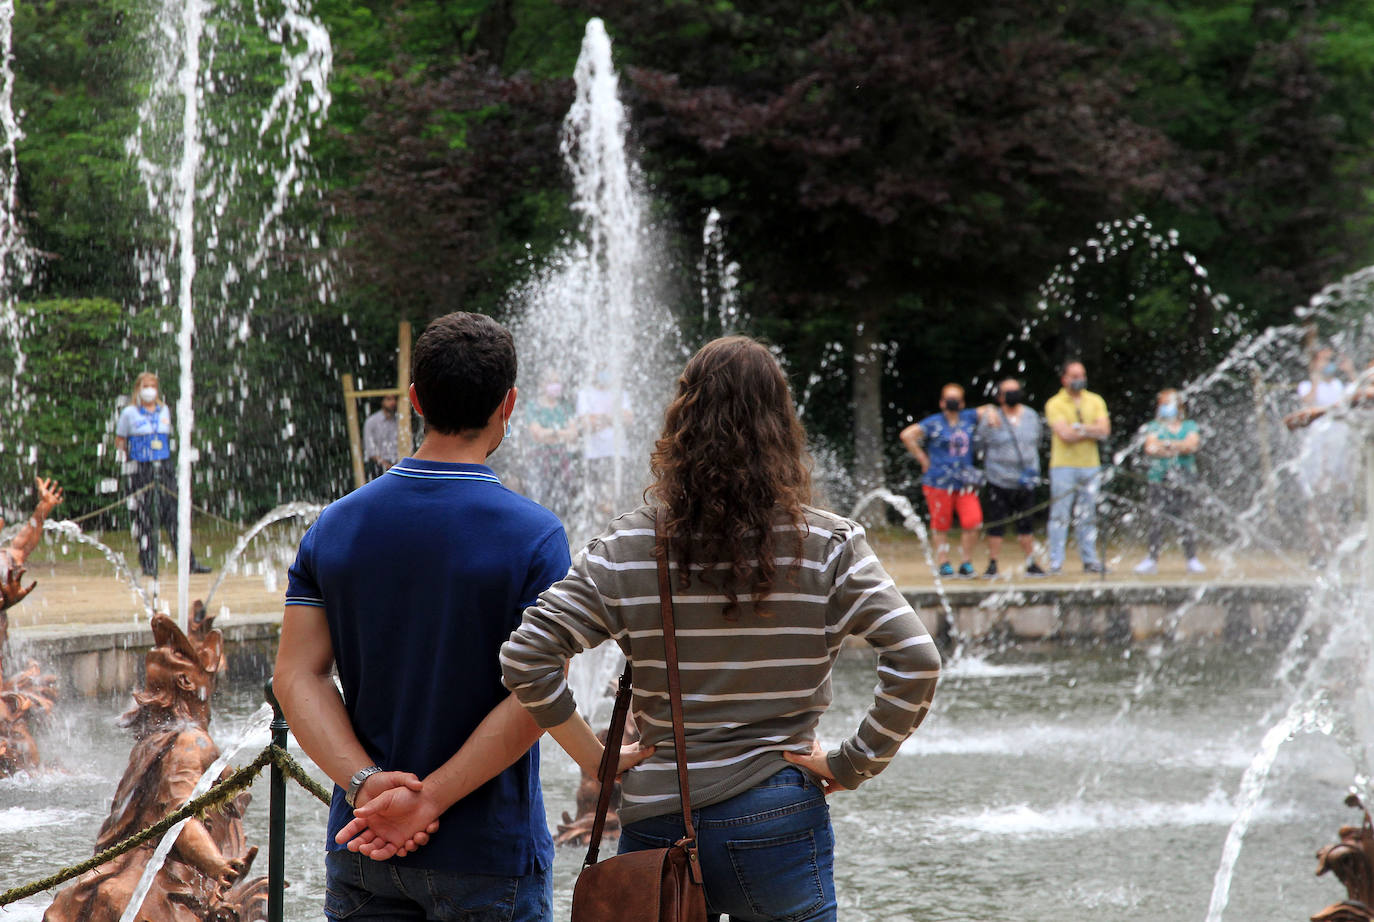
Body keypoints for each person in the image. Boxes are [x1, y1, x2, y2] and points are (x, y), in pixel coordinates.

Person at [501, 336, 941, 922]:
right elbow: (917, 660)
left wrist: (598, 757)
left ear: (681, 421)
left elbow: (526, 656)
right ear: (782, 425)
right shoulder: (829, 546)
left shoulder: (629, 547)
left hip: (660, 816)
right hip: (778, 812)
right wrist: (850, 764)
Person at [273, 313, 619, 921]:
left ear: (414, 401)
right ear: (508, 404)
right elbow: (538, 693)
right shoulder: (535, 538)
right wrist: (430, 799)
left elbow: (297, 677)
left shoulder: (335, 526)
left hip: (364, 838)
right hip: (487, 852)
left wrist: (366, 784)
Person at [114, 372, 210, 578]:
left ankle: (188, 562)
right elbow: (120, 440)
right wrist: (130, 461)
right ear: (138, 389)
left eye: (152, 386)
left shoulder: (164, 409)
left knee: (174, 515)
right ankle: (148, 563)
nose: (149, 390)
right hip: (140, 467)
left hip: (164, 466)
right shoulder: (129, 413)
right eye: (145, 386)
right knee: (144, 517)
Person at [900, 383, 983, 578]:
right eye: (949, 398)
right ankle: (944, 562)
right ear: (942, 402)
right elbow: (907, 435)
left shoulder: (968, 417)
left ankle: (966, 562)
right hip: (938, 481)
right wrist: (922, 458)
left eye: (956, 398)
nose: (952, 402)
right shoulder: (933, 423)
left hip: (965, 482)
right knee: (940, 524)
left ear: (962, 403)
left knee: (973, 521)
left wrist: (993, 414)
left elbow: (988, 409)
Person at [1289, 347, 1356, 567]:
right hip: (1315, 453)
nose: (1330, 364)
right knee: (1316, 504)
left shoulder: (1338, 385)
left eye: (1332, 360)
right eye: (1325, 360)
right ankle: (1315, 551)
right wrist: (1316, 377)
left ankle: (1335, 552)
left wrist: (1351, 372)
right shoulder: (1307, 386)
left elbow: (1358, 399)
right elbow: (1308, 403)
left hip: (1337, 450)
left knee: (1333, 504)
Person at [975, 378, 1046, 577]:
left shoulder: (1031, 416)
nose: (1013, 395)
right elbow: (979, 445)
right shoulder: (991, 417)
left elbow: (1037, 441)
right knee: (996, 523)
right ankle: (993, 563)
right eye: (1008, 391)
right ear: (999, 396)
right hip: (998, 478)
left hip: (1026, 479)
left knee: (1026, 524)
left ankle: (1031, 562)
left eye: (1016, 390)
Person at [1044, 361, 1110, 574]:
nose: (1079, 378)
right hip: (1063, 466)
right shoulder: (1054, 403)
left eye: (1082, 374)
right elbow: (1065, 435)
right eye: (1074, 375)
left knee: (1088, 515)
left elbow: (1104, 430)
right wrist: (1090, 431)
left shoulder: (1095, 400)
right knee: (1060, 515)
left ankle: (1090, 560)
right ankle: (1056, 562)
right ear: (1064, 379)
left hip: (1091, 466)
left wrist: (1080, 428)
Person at [1134, 389, 1205, 575]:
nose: (1165, 408)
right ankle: (1151, 559)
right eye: (1163, 404)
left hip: (1185, 478)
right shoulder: (1154, 426)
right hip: (1158, 478)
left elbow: (1192, 446)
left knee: (1186, 518)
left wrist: (1166, 445)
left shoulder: (1189, 425)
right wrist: (1177, 447)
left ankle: (1191, 559)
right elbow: (1150, 447)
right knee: (1156, 519)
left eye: (1168, 403)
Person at [577, 367, 633, 520]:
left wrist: (600, 418)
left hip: (617, 452)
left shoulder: (620, 393)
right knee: (598, 499)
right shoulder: (585, 394)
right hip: (595, 453)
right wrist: (613, 417)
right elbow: (586, 423)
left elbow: (628, 419)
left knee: (614, 497)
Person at [525, 370, 579, 519]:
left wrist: (549, 433)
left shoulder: (565, 407)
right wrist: (561, 432)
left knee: (562, 501)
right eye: (551, 382)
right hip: (540, 460)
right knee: (539, 499)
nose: (556, 386)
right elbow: (536, 434)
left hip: (562, 461)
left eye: (557, 382)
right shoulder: (533, 406)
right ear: (542, 385)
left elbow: (573, 434)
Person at [362, 394, 400, 480]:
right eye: (389, 399)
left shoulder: (399, 420)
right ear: (382, 401)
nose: (393, 402)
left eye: (394, 399)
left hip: (397, 464)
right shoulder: (372, 422)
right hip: (378, 465)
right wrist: (387, 466)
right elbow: (370, 451)